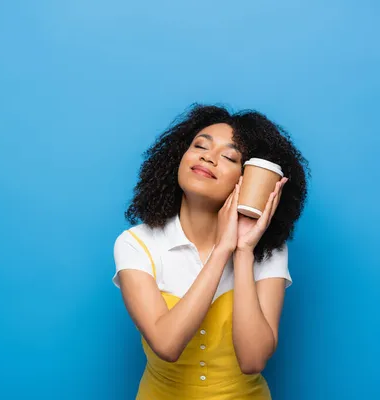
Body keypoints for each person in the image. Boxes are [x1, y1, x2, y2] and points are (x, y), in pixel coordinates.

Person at [112, 104, 309, 399]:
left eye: (229, 157)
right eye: (199, 146)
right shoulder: (136, 243)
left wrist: (243, 252)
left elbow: (253, 361)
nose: (208, 156)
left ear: (250, 179)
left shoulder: (269, 252)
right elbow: (166, 345)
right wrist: (221, 252)